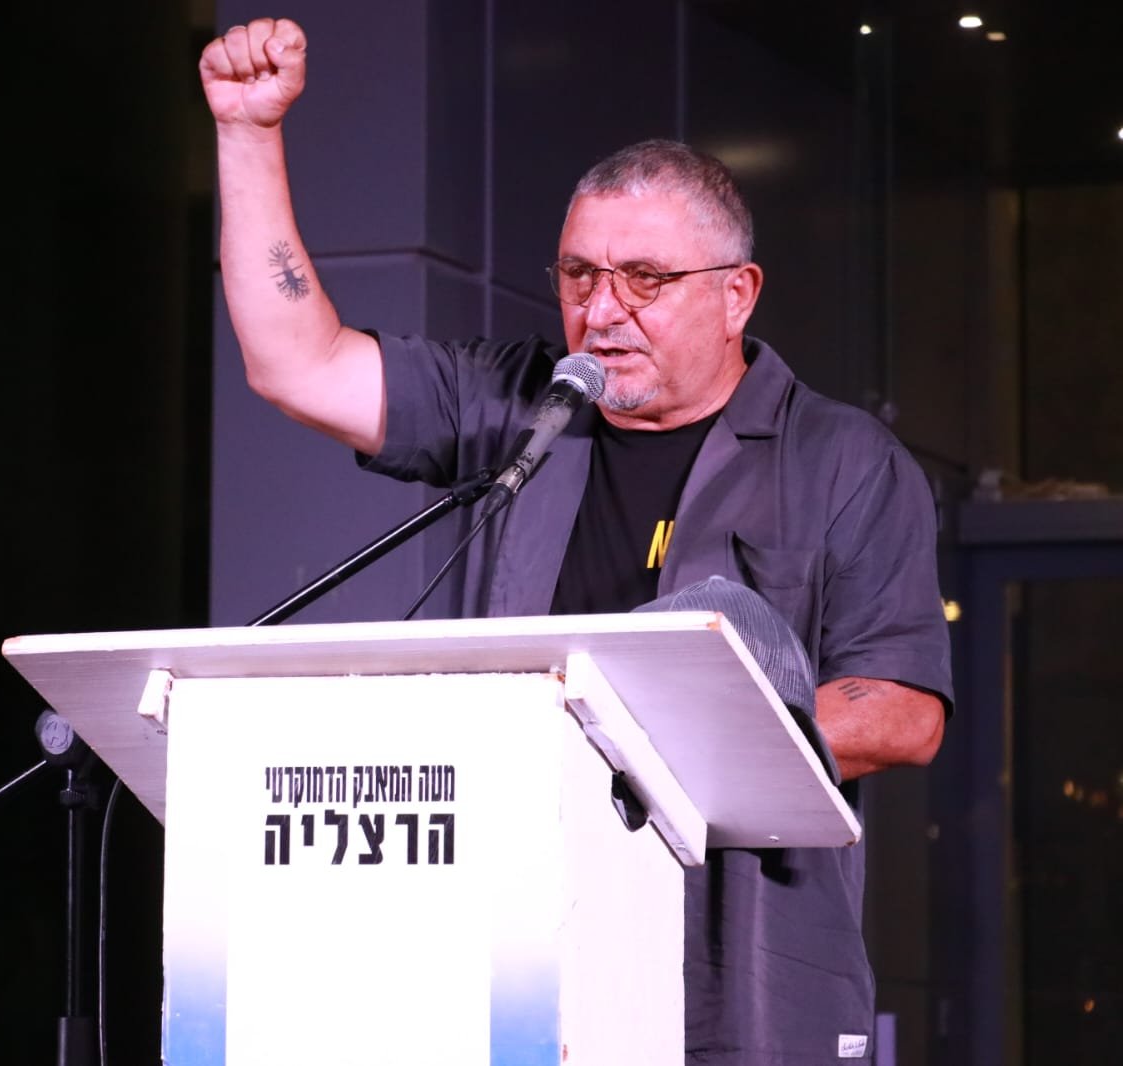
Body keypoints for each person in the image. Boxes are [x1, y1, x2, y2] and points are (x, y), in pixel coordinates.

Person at [200, 17, 952, 1064]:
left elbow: (904, 711)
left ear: (735, 294)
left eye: (645, 278)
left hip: (739, 982)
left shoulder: (841, 458)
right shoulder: (522, 406)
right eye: (578, 275)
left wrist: (650, 738)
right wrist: (247, 132)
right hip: (521, 961)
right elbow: (298, 365)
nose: (602, 311)